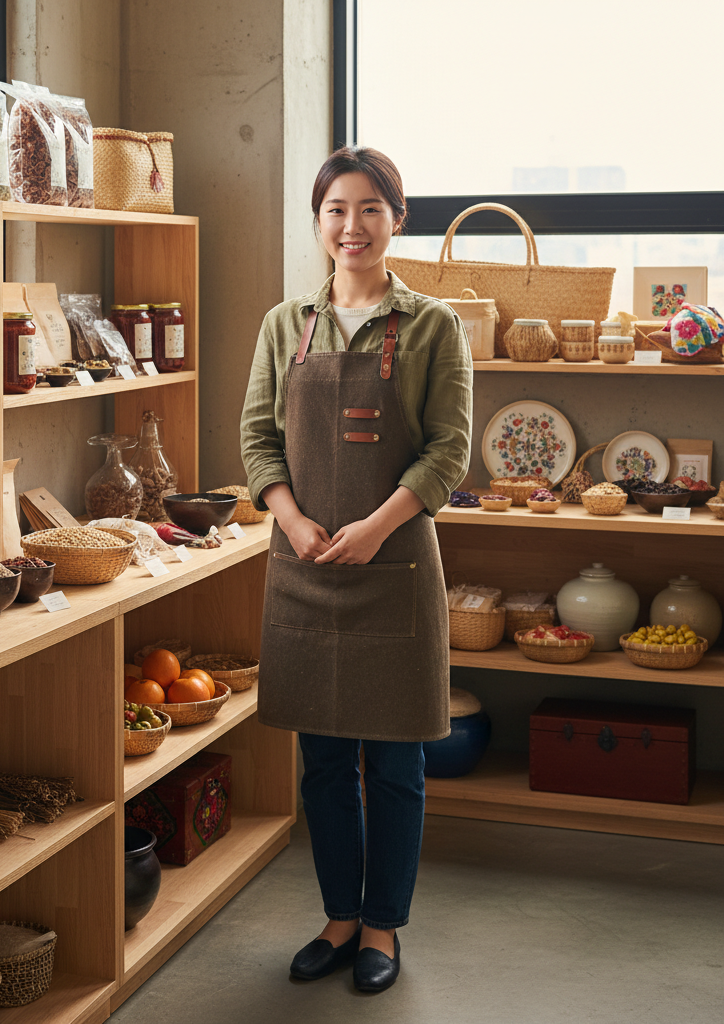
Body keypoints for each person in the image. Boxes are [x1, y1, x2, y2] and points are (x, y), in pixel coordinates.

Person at [240, 146, 472, 993]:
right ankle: (339, 915)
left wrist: (376, 526)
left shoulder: (433, 326)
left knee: (397, 765)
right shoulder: (283, 324)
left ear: (397, 219)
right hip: (303, 565)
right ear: (318, 221)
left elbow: (450, 452)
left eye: (371, 208)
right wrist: (293, 520)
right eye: (337, 209)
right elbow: (258, 439)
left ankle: (383, 928)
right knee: (325, 763)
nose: (352, 226)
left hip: (396, 567)